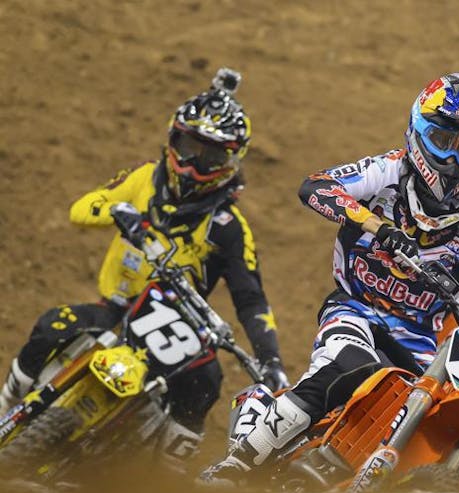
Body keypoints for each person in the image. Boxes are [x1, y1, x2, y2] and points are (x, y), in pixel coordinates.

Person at [200, 73, 459, 483]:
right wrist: (376, 224)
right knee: (350, 365)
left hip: (419, 340)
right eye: (443, 141)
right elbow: (316, 187)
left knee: (442, 414)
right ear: (418, 131)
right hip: (357, 309)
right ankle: (237, 464)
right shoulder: (387, 171)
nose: (453, 160)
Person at [0, 69, 289, 468]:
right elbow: (81, 209)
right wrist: (122, 213)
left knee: (207, 383)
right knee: (53, 326)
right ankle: (7, 407)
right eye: (189, 146)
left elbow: (251, 298)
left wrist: (271, 361)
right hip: (118, 310)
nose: (193, 164)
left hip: (174, 328)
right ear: (173, 138)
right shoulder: (144, 179)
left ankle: (167, 478)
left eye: (210, 155)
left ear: (231, 160)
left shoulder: (228, 228)